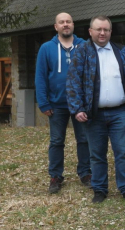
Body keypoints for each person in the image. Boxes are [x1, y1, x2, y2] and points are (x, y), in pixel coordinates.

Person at [66, 15, 125, 203]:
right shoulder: (81, 53)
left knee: (123, 152)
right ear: (90, 31)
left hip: (120, 112)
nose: (102, 33)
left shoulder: (123, 52)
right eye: (98, 29)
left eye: (106, 30)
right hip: (94, 114)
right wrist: (77, 108)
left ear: (110, 32)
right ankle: (99, 189)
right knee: (97, 154)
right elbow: (73, 82)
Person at [35, 12, 91, 193]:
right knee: (57, 141)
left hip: (80, 105)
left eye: (68, 22)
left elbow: (91, 74)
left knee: (84, 139)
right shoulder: (46, 48)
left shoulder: (84, 45)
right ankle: (56, 176)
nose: (65, 24)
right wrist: (43, 103)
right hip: (57, 104)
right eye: (62, 22)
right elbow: (41, 76)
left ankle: (85, 173)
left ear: (73, 25)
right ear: (56, 27)